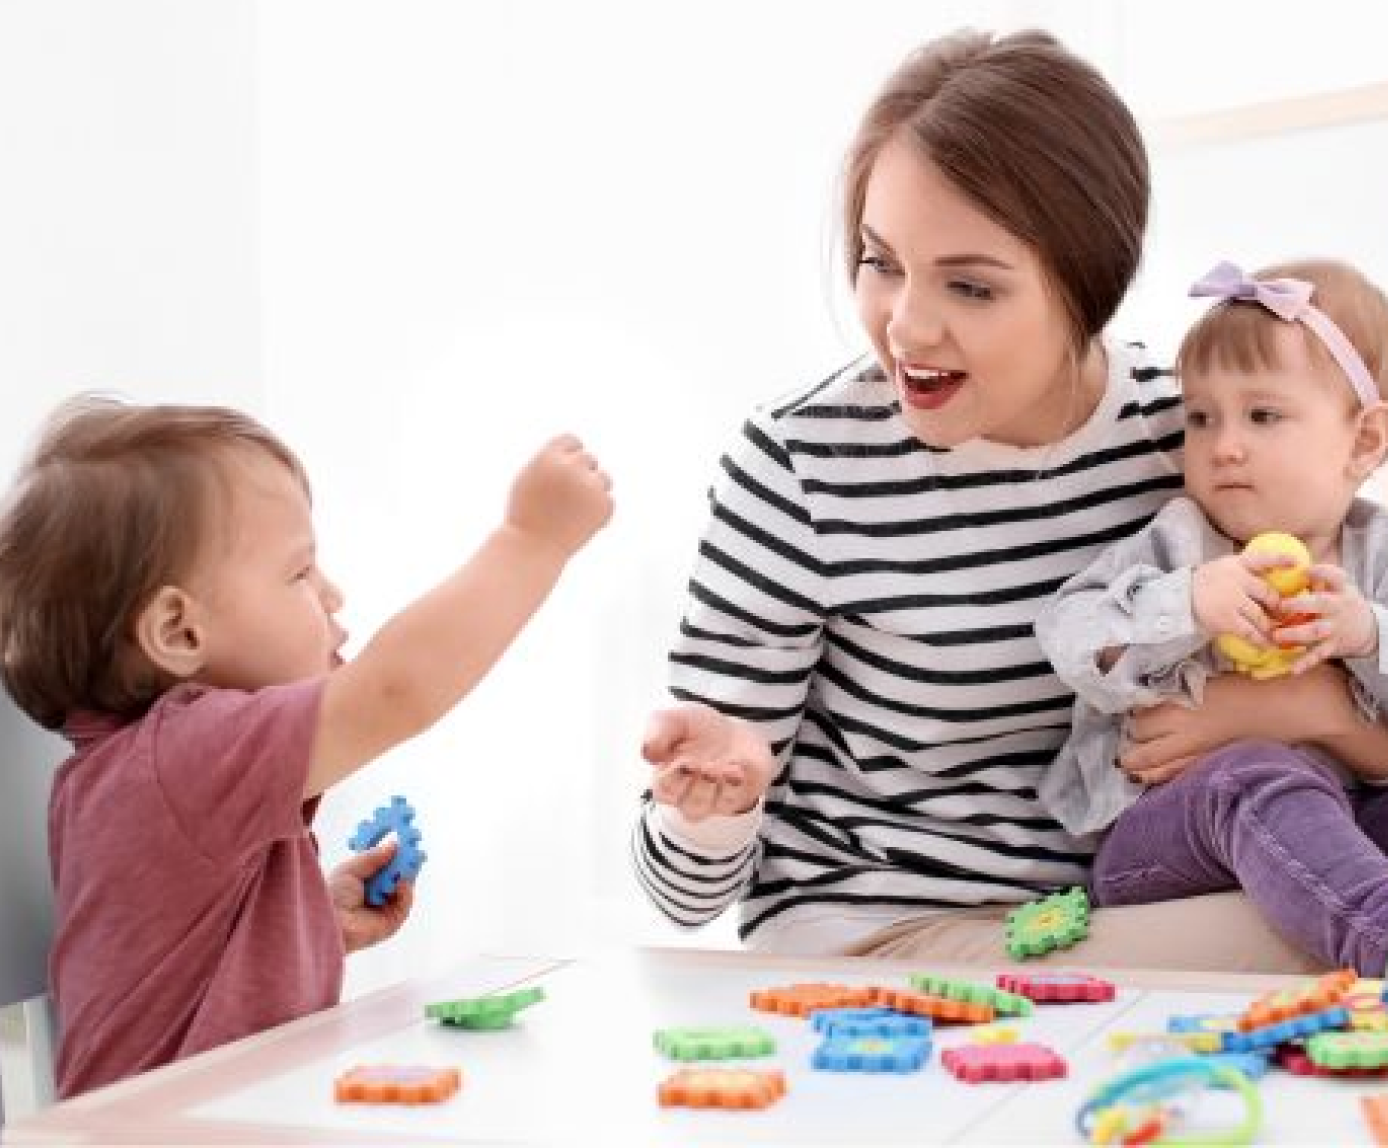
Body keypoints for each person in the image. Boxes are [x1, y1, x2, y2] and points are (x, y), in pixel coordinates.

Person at [631, 27, 1388, 969]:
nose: (907, 324)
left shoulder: (1191, 438)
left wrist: (1307, 714)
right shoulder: (801, 463)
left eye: (972, 286)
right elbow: (680, 897)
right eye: (882, 261)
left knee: (1328, 891)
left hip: (1098, 912)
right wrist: (719, 804)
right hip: (880, 937)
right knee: (1328, 932)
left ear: (1089, 289)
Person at [0, 396, 612, 1096]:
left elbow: (177, 969)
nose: (332, 593)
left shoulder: (146, 774)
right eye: (299, 573)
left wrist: (310, 922)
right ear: (177, 631)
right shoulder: (182, 755)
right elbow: (395, 691)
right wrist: (531, 538)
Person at [1035, 258, 1388, 974]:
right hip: (1163, 835)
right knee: (1250, 776)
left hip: (1346, 819)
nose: (1223, 445)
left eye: (1263, 415)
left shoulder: (1374, 555)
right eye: (1200, 418)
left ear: (1365, 440)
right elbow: (1070, 632)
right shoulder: (1180, 542)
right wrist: (1187, 604)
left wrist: (1366, 631)